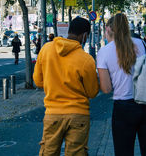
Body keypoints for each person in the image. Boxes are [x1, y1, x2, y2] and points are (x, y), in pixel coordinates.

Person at [97, 13, 146, 156]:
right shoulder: (140, 43)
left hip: (124, 109)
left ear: (108, 29)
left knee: (123, 152)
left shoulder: (104, 52)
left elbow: (106, 89)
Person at [33, 17, 99, 156]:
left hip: (52, 114)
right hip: (79, 115)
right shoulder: (86, 60)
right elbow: (92, 92)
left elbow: (38, 81)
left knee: (48, 152)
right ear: (85, 35)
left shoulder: (46, 49)